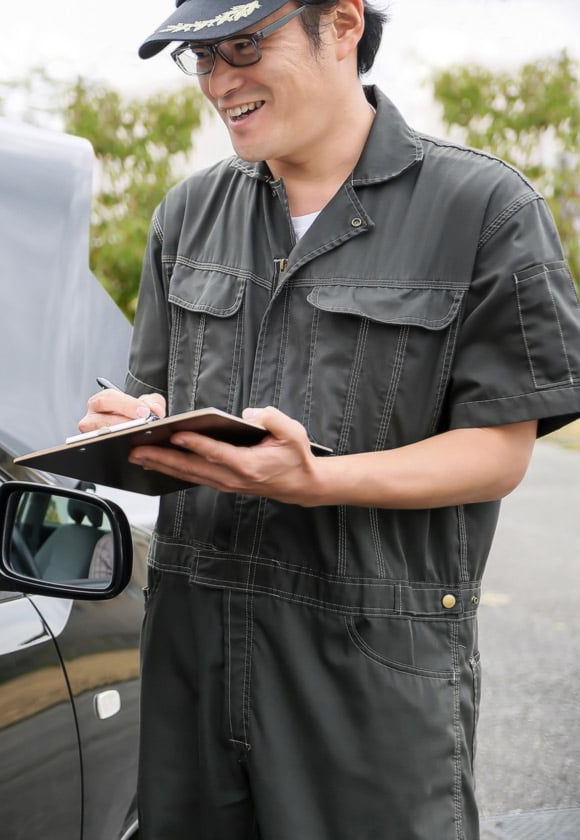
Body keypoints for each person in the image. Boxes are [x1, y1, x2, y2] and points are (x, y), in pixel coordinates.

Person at [79, 1, 580, 837]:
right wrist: (137, 423)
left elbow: (499, 449)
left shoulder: (483, 208)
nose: (219, 81)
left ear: (342, 24)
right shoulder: (188, 213)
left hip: (368, 664)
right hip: (192, 657)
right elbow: (160, 397)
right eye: (200, 58)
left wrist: (319, 481)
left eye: (243, 46)